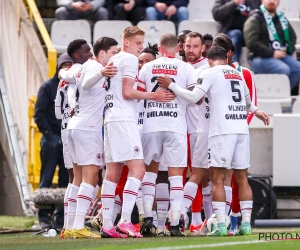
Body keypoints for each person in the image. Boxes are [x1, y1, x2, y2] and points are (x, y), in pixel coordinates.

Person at [158, 45, 269, 236]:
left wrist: (172, 85)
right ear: (226, 59)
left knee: (217, 178)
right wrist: (257, 112)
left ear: (209, 60)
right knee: (242, 179)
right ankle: (246, 224)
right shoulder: (237, 74)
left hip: (222, 131)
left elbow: (194, 97)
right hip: (241, 130)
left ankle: (221, 226)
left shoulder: (210, 72)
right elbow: (248, 104)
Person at [100, 26, 175, 238]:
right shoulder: (130, 60)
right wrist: (155, 96)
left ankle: (107, 225)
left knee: (112, 173)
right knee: (138, 169)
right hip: (124, 119)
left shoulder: (113, 60)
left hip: (111, 118)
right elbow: (127, 92)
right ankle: (125, 220)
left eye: (142, 43)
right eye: (138, 43)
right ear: (126, 42)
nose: (141, 47)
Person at [138, 33, 198, 237]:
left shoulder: (147, 66)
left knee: (150, 173)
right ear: (178, 48)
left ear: (160, 49)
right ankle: (174, 224)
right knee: (175, 176)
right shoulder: (187, 68)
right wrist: (174, 87)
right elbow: (195, 99)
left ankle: (147, 219)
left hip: (151, 124)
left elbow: (136, 94)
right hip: (176, 125)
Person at [66, 38, 118, 239]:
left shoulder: (81, 66)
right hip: (88, 128)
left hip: (76, 125)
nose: (114, 57)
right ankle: (79, 225)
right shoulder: (95, 67)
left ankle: (70, 226)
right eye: (112, 52)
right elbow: (87, 85)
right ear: (102, 53)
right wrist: (102, 73)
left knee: (78, 178)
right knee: (91, 177)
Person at [212, 33, 257, 236]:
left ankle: (232, 220)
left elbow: (250, 105)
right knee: (224, 178)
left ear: (229, 53)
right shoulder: (212, 71)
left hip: (228, 129)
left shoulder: (243, 72)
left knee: (227, 177)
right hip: (227, 129)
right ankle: (219, 221)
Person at [54, 39, 92, 238]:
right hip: (82, 127)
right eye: (87, 50)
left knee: (74, 177)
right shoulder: (83, 72)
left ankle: (68, 226)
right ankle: (75, 225)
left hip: (67, 128)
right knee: (85, 176)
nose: (90, 53)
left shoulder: (63, 79)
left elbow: (57, 113)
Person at [180, 31, 213, 235]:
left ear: (203, 48)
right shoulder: (179, 67)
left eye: (195, 46)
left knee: (204, 175)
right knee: (184, 175)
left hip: (199, 129)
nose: (190, 50)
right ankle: (190, 218)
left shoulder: (208, 68)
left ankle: (202, 220)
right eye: (187, 46)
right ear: (182, 46)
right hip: (179, 129)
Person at [34, 53, 72, 229]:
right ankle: (43, 217)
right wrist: (50, 136)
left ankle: (60, 218)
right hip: (51, 140)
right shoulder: (47, 87)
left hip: (68, 140)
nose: (66, 68)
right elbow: (39, 114)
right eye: (63, 65)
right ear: (58, 67)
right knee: (46, 179)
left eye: (69, 65)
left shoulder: (73, 87)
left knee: (66, 180)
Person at [243, 0, 300, 92]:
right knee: (284, 70)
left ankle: (284, 94)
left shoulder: (282, 19)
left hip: (280, 56)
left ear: (279, 2)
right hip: (258, 58)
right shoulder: (255, 18)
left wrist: (286, 50)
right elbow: (252, 43)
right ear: (262, 1)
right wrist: (272, 53)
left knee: (298, 68)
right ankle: (279, 96)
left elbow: (292, 36)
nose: (272, 1)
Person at [212, 0, 261, 64]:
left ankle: (255, 62)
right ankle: (233, 62)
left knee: (254, 35)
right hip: (230, 33)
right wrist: (234, 3)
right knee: (237, 33)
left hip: (249, 33)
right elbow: (216, 14)